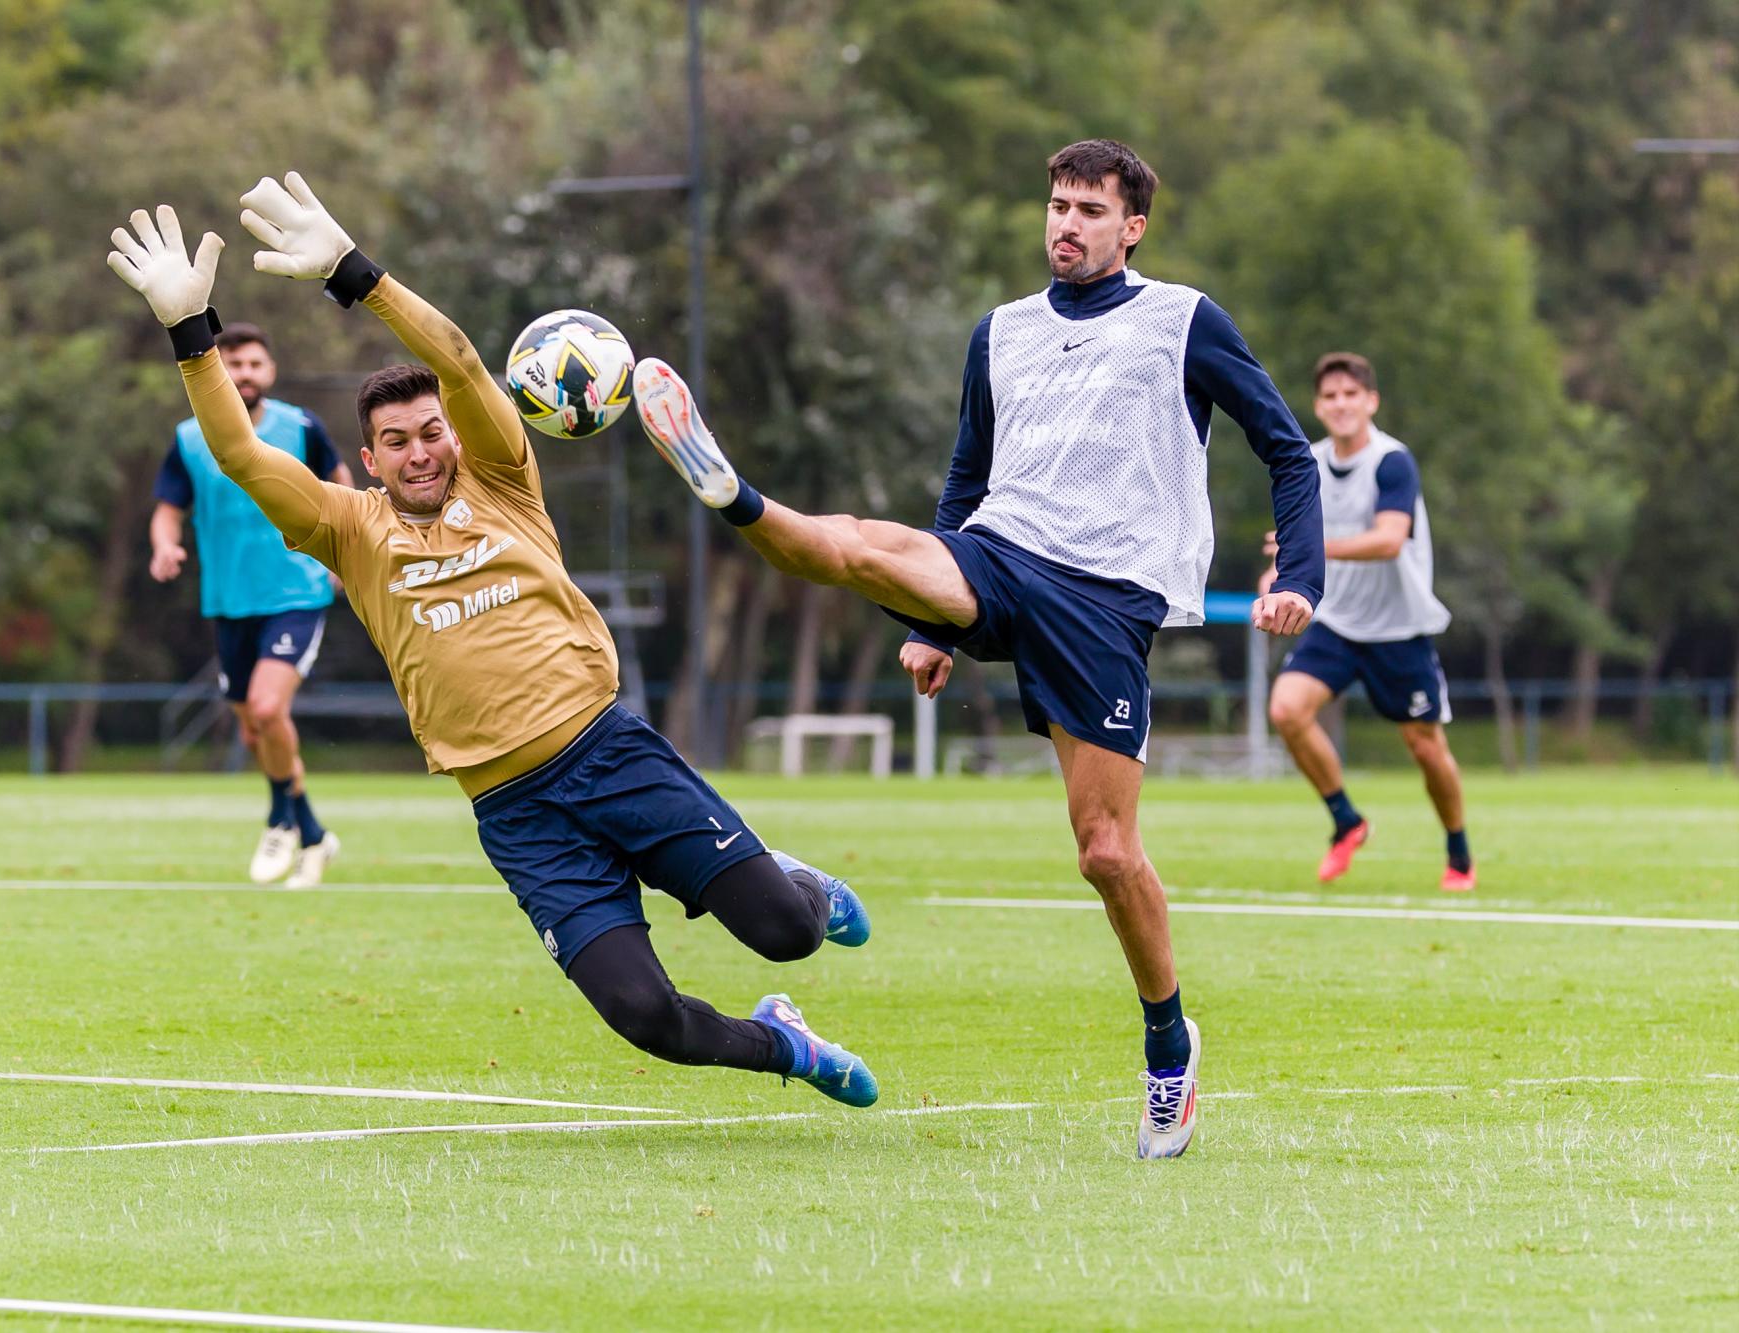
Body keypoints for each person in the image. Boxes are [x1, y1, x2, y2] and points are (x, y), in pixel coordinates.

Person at [107, 176, 877, 1105]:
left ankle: (791, 881)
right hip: (516, 811)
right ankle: (785, 1045)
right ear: (369, 460)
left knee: (788, 932)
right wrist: (192, 333)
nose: (420, 450)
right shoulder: (347, 530)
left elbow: (465, 364)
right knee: (647, 1018)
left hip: (610, 756)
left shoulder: (504, 482)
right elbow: (236, 457)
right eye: (396, 442)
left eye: (431, 432)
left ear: (456, 441)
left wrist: (357, 275)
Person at [632, 139, 1324, 1159]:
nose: (1066, 224)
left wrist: (1299, 577)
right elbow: (963, 481)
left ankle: (1167, 1046)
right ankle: (730, 490)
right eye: (1055, 205)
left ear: (1131, 227)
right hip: (995, 556)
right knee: (865, 546)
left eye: (1090, 210)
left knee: (1104, 853)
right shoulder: (997, 333)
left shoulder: (1182, 320)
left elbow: (1286, 449)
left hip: (1102, 599)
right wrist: (927, 627)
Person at [1261, 352, 1473, 893]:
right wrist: (1275, 583)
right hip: (1336, 622)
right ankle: (1347, 821)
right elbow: (1285, 547)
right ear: (1318, 406)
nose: (1341, 404)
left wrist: (1316, 549)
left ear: (1371, 401)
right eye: (1330, 396)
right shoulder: (1305, 462)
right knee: (1286, 710)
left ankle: (1459, 853)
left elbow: (1388, 539)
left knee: (1426, 748)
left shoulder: (1392, 461)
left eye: (1351, 394)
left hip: (1398, 629)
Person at [150, 321, 351, 889]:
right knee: (255, 732)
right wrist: (166, 545)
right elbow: (168, 506)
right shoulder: (191, 438)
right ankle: (312, 834)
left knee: (266, 710)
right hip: (229, 600)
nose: (244, 374)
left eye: (254, 364)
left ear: (271, 371)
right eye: (233, 364)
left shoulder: (301, 427)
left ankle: (279, 820)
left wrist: (344, 552)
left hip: (297, 591)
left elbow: (341, 483)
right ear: (217, 370)